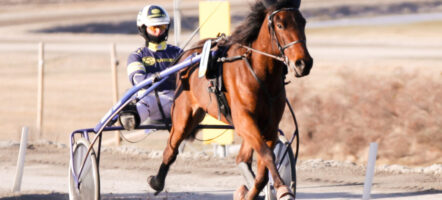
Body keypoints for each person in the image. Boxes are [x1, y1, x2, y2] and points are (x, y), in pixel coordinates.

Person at [119, 4, 183, 130]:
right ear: (143, 28)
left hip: (178, 100)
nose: (158, 31)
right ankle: (130, 118)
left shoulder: (178, 52)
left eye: (162, 27)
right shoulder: (137, 56)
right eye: (154, 28)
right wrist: (157, 77)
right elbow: (137, 79)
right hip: (152, 100)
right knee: (138, 98)